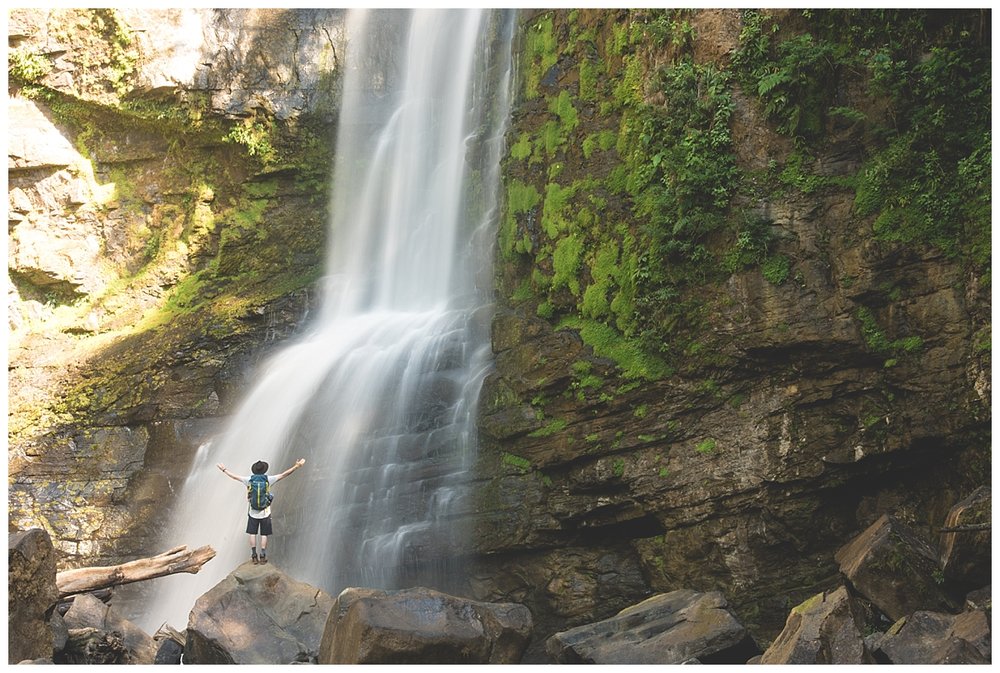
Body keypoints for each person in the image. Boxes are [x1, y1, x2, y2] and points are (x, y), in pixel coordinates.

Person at [217, 458, 305, 565]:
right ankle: (263, 555)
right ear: (264, 470)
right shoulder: (268, 479)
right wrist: (297, 466)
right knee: (264, 534)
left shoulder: (249, 479)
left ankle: (254, 555)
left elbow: (234, 477)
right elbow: (284, 474)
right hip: (265, 512)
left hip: (253, 512)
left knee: (252, 534)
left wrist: (224, 469)